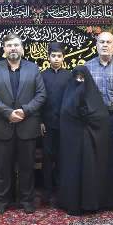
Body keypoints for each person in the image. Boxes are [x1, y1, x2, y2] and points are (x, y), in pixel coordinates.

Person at [0, 33, 46, 214]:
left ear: (22, 49)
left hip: (27, 126)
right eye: (9, 45)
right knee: (3, 168)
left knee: (27, 168)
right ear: (4, 49)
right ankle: (3, 200)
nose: (13, 48)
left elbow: (41, 94)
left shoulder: (33, 68)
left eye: (16, 45)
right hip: (3, 126)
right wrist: (7, 113)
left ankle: (27, 200)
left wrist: (25, 110)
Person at [56, 65, 113, 215]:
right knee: (73, 170)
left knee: (91, 169)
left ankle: (92, 202)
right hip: (73, 143)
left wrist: (87, 117)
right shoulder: (68, 94)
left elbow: (101, 117)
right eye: (77, 78)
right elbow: (65, 114)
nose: (80, 81)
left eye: (82, 78)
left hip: (91, 141)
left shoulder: (93, 95)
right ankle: (72, 202)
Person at [84, 31, 113, 193]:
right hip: (95, 119)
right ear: (96, 45)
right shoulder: (87, 67)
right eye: (101, 42)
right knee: (97, 154)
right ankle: (97, 191)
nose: (105, 45)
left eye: (108, 42)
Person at [40, 42, 71, 204]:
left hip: (64, 125)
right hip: (46, 125)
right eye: (53, 56)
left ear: (63, 57)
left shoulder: (70, 75)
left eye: (59, 56)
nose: (56, 59)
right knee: (47, 159)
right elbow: (38, 99)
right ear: (48, 57)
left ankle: (61, 191)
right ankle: (47, 191)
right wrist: (40, 121)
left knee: (62, 158)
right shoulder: (42, 75)